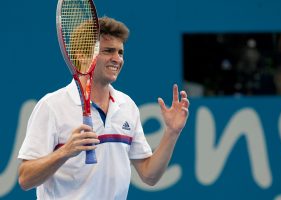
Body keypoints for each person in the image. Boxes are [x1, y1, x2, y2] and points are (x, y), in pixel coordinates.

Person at [18, 16, 189, 200]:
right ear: (82, 54)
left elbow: (149, 176)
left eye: (120, 52)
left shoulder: (127, 106)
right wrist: (65, 151)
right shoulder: (51, 106)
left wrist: (171, 132)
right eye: (108, 51)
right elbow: (25, 178)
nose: (117, 59)